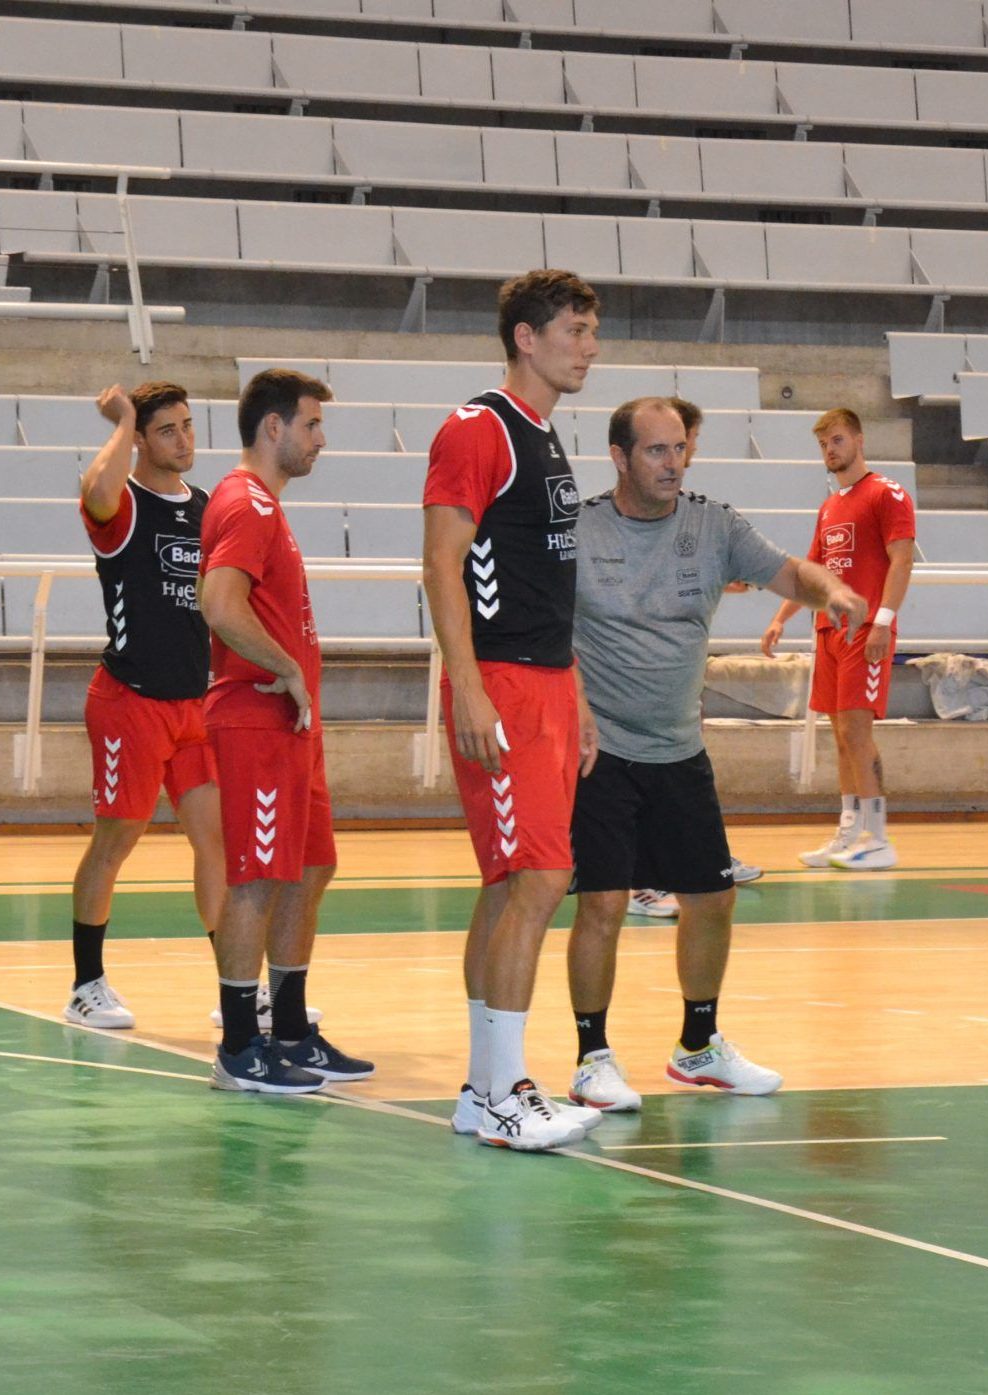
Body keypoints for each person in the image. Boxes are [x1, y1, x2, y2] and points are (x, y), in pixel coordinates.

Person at [566, 397, 868, 1111]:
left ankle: (699, 1046)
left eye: (679, 449)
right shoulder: (578, 531)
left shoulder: (713, 524)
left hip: (680, 752)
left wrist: (834, 592)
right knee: (604, 904)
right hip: (598, 754)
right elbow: (543, 629)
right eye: (656, 452)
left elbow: (793, 572)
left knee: (713, 898)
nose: (674, 464)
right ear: (619, 457)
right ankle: (591, 1057)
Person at [423, 268, 608, 1152]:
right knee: (535, 880)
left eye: (591, 330)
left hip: (546, 682)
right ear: (526, 338)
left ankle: (485, 1087)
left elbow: (545, 586)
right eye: (575, 329)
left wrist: (576, 695)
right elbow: (441, 564)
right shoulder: (478, 428)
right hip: (498, 683)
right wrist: (466, 685)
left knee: (510, 883)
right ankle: (503, 1092)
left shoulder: (545, 437)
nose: (589, 345)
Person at [197, 368, 373, 1094]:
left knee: (309, 865)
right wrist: (287, 668)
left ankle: (292, 1028)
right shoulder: (246, 503)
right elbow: (218, 602)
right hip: (255, 715)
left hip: (290, 722)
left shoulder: (266, 505)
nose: (320, 439)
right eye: (311, 424)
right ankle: (241, 1047)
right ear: (274, 427)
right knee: (258, 876)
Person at [65, 381, 221, 1030]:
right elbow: (95, 489)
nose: (183, 439)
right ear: (140, 441)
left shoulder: (209, 507)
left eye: (187, 426)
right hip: (130, 701)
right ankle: (86, 983)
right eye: (167, 430)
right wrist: (124, 421)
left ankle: (239, 990)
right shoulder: (123, 504)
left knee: (218, 843)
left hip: (196, 708)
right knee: (117, 838)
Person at [760, 408, 915, 871]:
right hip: (829, 631)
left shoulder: (887, 494)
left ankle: (878, 837)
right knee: (840, 734)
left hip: (865, 631)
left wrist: (883, 622)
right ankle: (849, 830)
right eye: (824, 443)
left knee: (857, 731)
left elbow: (902, 561)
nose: (831, 449)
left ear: (859, 440)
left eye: (838, 440)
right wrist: (780, 618)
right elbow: (811, 573)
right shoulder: (829, 506)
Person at [627, 395, 761, 920]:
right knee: (635, 774)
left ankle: (699, 857)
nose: (685, 456)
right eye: (677, 444)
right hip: (632, 684)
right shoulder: (633, 511)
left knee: (684, 769)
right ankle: (640, 880)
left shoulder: (696, 515)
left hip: (680, 675)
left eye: (689, 445)